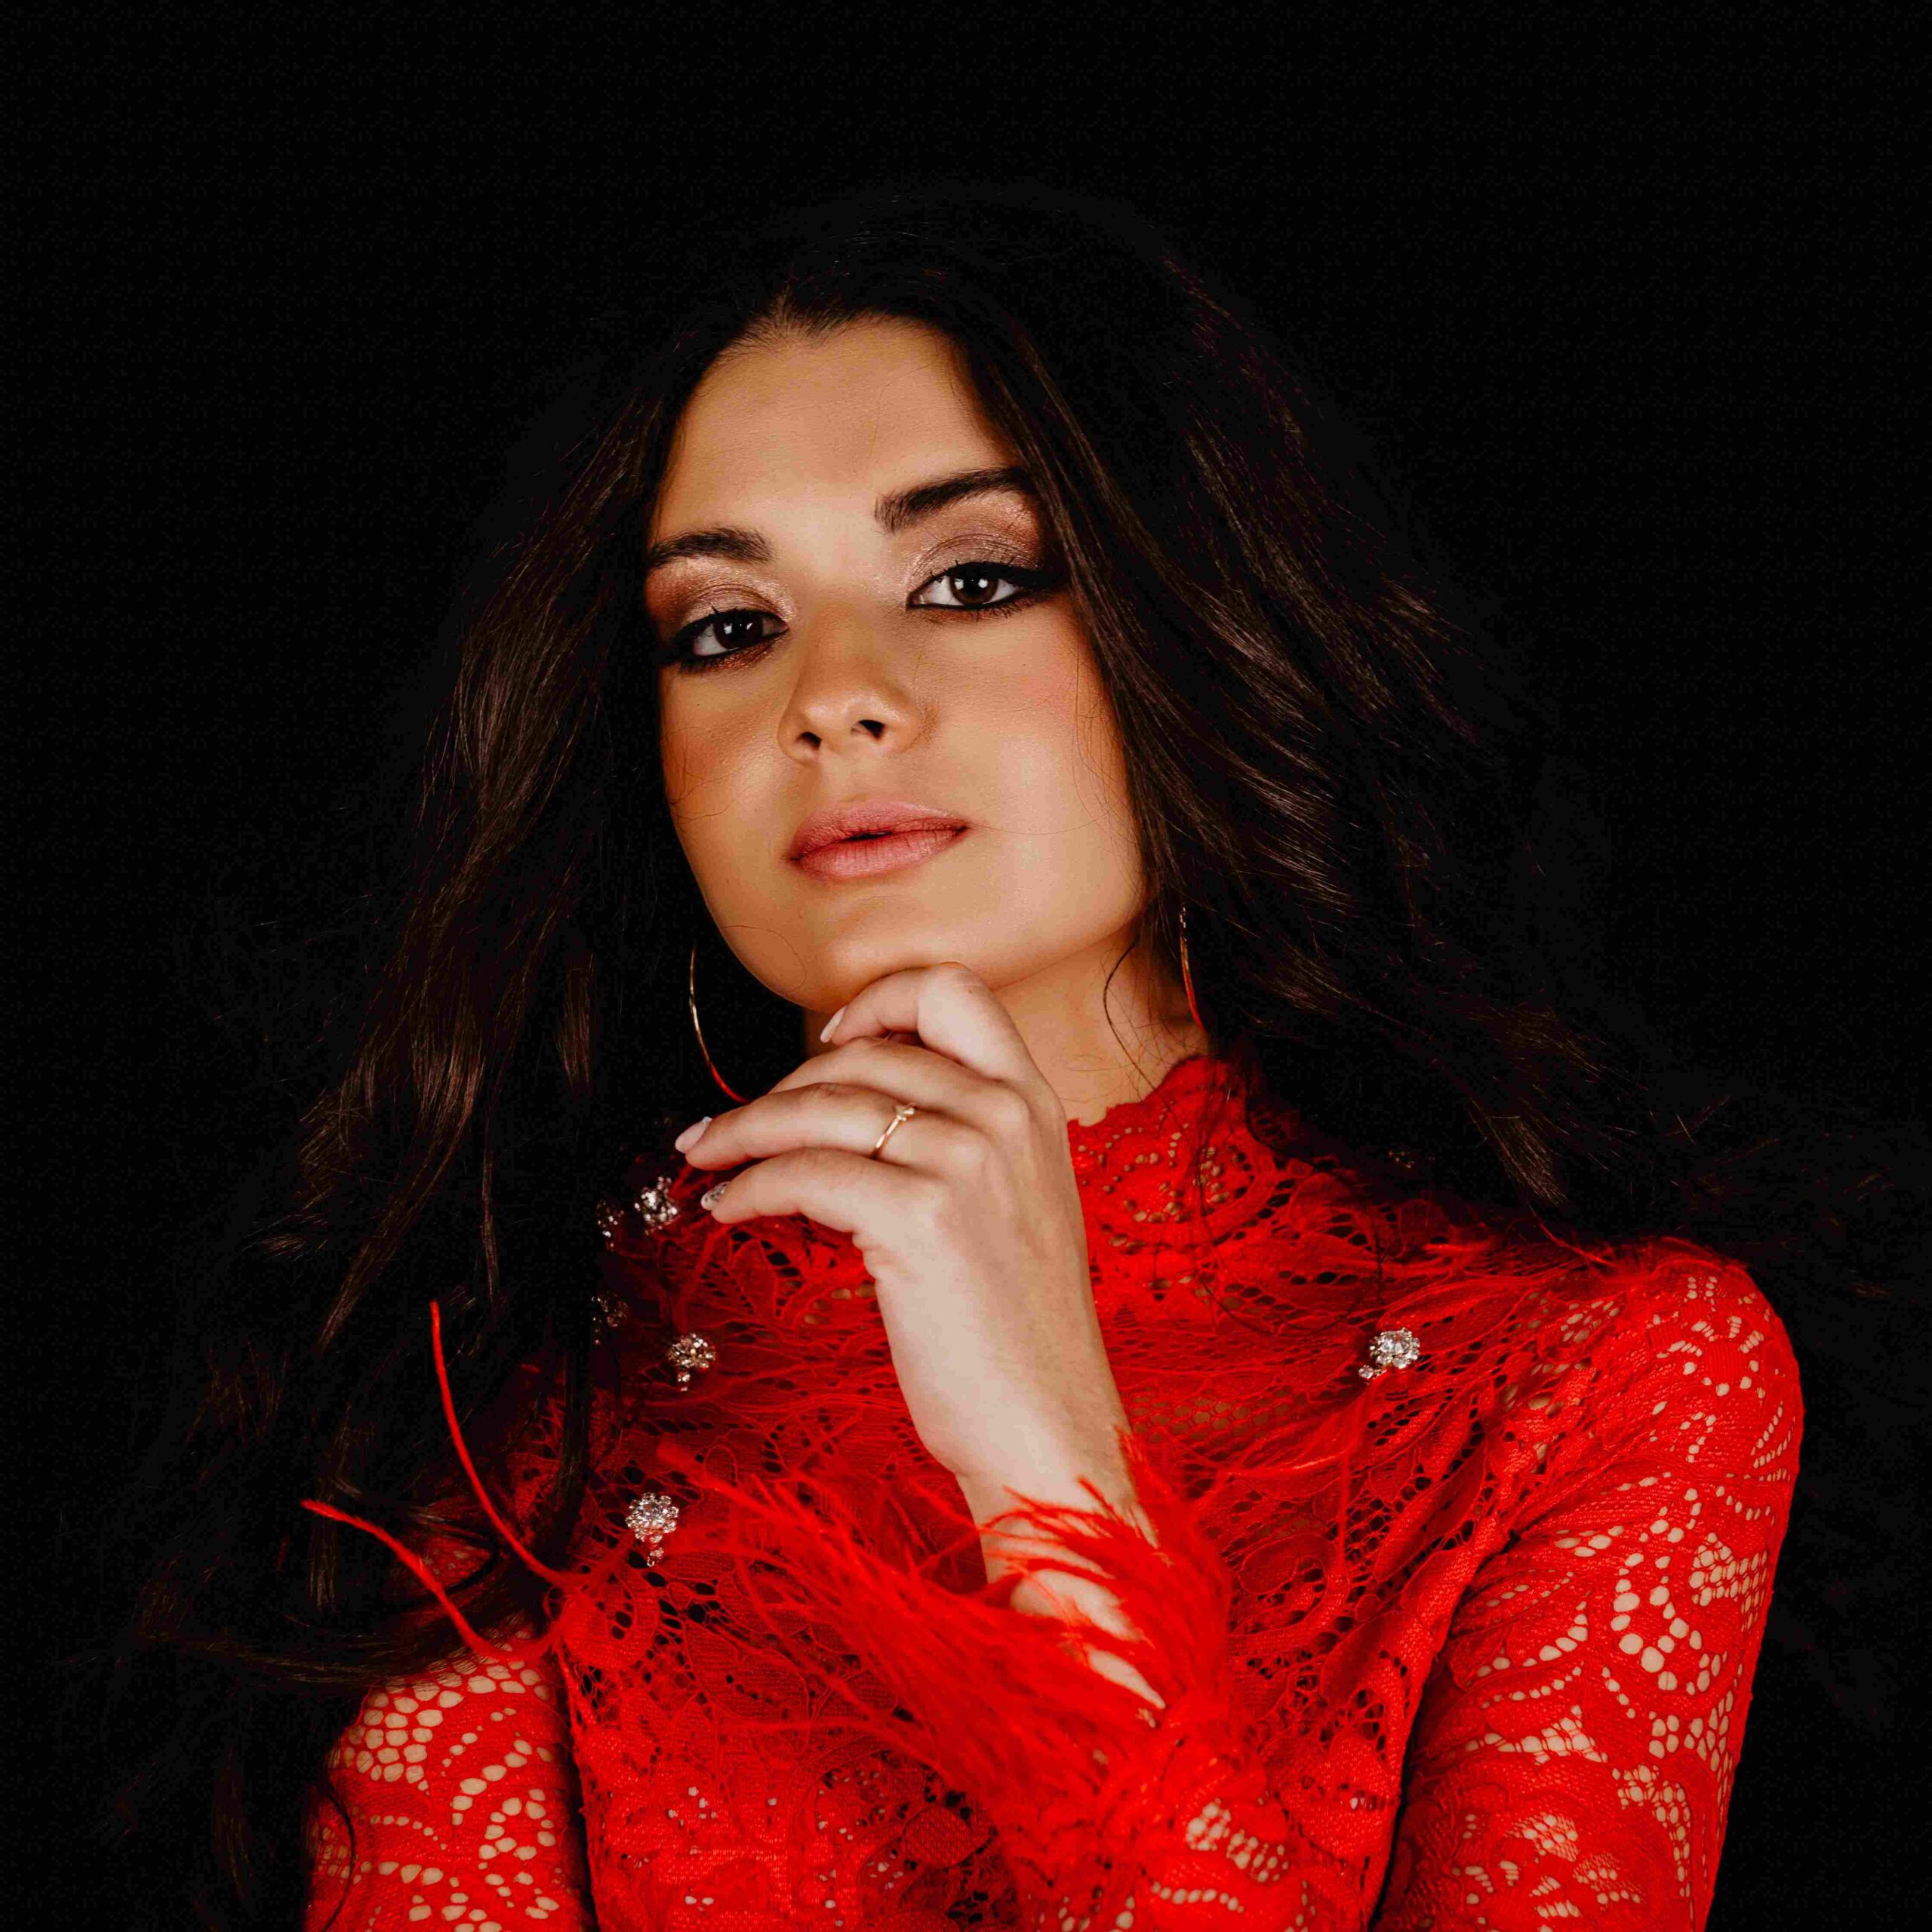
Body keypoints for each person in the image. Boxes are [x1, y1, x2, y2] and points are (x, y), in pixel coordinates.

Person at [103, 181, 1802, 1930]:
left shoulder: (1604, 1370)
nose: (828, 697)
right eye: (725, 626)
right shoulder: (514, 1379)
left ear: (1193, 624)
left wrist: (1051, 1472)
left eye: (969, 579)